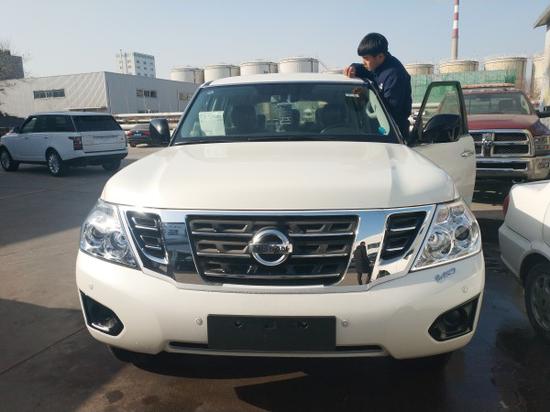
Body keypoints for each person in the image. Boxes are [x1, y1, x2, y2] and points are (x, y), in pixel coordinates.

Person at [344, 33, 412, 142]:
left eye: (366, 58)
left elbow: (389, 111)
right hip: (378, 129)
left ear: (380, 56)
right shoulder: (378, 66)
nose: (363, 62)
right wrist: (354, 68)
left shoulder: (394, 76)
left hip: (392, 134)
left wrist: (367, 95)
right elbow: (366, 70)